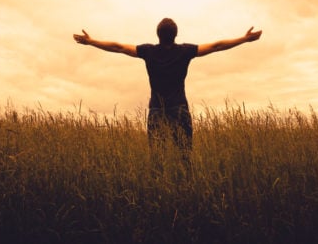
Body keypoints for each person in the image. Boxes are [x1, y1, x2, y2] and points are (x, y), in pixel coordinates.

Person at [72, 18, 262, 161]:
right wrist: (244, 39)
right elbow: (216, 46)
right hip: (179, 109)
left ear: (158, 34)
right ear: (175, 34)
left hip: (157, 111)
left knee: (157, 159)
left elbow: (119, 47)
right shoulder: (184, 51)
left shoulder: (148, 51)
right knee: (185, 158)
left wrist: (91, 42)